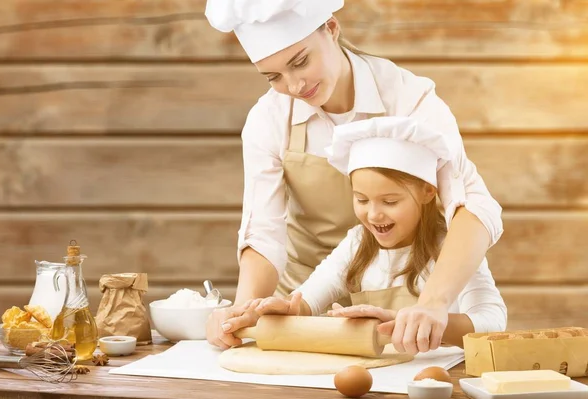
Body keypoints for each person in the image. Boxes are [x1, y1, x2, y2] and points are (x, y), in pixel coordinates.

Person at [204, 0, 504, 354]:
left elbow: (469, 204)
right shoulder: (268, 119)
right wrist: (243, 310)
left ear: (331, 29)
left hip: (406, 310)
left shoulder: (408, 97)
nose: (295, 86)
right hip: (304, 306)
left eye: (300, 62)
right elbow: (264, 232)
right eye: (273, 76)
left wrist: (433, 304)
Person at [249, 117, 507, 351]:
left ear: (427, 192)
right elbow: (310, 297)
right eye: (361, 199)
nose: (373, 215)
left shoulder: (454, 249)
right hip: (379, 378)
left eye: (390, 201)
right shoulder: (357, 243)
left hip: (439, 374)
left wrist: (424, 322)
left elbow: (493, 324)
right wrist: (292, 307)